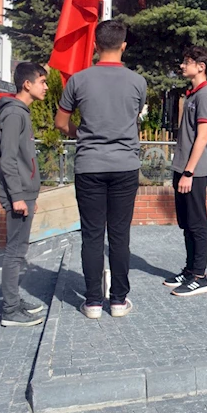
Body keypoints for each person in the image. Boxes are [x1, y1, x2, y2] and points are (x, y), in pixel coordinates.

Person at [55, 20, 147, 319]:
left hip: (89, 166)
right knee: (120, 235)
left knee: (92, 235)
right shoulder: (137, 82)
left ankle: (93, 301)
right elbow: (133, 117)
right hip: (124, 166)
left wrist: (78, 133)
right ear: (123, 45)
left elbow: (60, 122)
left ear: (95, 45)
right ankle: (118, 301)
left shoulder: (78, 80)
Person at [162, 46, 207, 296]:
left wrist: (189, 172)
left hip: (193, 172)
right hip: (183, 168)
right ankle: (189, 270)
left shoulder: (205, 95)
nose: (182, 66)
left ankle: (200, 276)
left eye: (187, 62)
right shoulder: (193, 95)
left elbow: (203, 136)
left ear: (200, 66)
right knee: (186, 223)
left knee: (197, 223)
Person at [0, 63, 49, 327]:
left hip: (25, 193)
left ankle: (14, 302)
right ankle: (9, 310)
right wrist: (17, 196)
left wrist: (30, 194)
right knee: (15, 253)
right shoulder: (14, 114)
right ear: (27, 84)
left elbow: (23, 158)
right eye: (42, 81)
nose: (46, 87)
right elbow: (7, 160)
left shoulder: (21, 113)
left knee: (19, 251)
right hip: (18, 195)